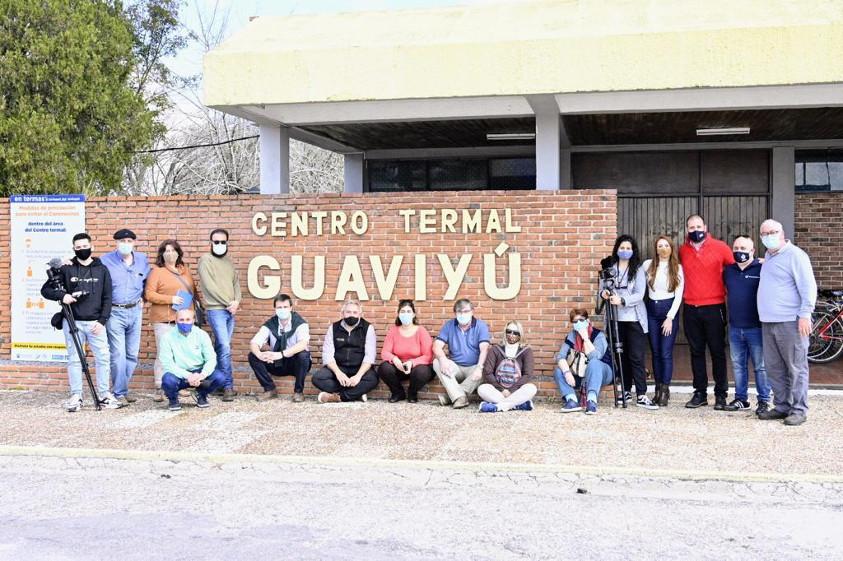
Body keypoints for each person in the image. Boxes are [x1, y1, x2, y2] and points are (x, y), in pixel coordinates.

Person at [40, 232, 124, 411]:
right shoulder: (66, 268)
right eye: (78, 248)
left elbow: (108, 297)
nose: (82, 250)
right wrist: (63, 296)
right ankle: (76, 396)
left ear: (91, 247)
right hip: (72, 322)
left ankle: (103, 395)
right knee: (75, 359)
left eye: (84, 246)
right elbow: (46, 290)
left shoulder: (102, 270)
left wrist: (102, 321)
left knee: (103, 358)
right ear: (74, 249)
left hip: (96, 323)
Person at [756, 219, 817, 426]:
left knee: (796, 367)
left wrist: (805, 314)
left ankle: (799, 409)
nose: (768, 236)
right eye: (764, 233)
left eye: (772, 232)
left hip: (791, 322)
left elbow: (808, 287)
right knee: (774, 368)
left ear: (782, 233)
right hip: (768, 322)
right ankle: (782, 406)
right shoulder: (769, 257)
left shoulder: (796, 256)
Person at [678, 214, 735, 410]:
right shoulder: (682, 251)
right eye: (691, 227)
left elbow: (736, 269)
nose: (695, 230)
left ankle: (721, 394)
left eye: (698, 226)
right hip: (691, 308)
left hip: (714, 307)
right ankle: (700, 393)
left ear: (705, 226)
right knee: (696, 352)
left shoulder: (721, 248)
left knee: (718, 352)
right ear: (687, 230)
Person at [600, 235, 658, 409]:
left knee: (636, 356)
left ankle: (641, 394)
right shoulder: (609, 268)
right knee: (621, 356)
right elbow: (601, 289)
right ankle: (625, 389)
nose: (625, 251)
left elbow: (640, 294)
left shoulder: (638, 270)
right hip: (615, 319)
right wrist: (603, 294)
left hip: (633, 319)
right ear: (617, 249)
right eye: (622, 247)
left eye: (628, 248)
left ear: (633, 251)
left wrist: (622, 300)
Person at [101, 228, 150, 405]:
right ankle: (120, 392)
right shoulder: (105, 261)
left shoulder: (143, 260)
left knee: (132, 354)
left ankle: (121, 389)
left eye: (129, 241)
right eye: (122, 241)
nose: (126, 244)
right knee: (118, 353)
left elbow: (148, 281)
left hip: (135, 311)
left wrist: (144, 297)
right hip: (115, 312)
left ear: (134, 243)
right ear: (116, 243)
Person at [722, 235, 771, 414]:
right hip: (735, 327)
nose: (739, 251)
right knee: (738, 365)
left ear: (752, 251)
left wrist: (770, 260)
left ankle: (764, 400)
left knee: (761, 366)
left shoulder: (763, 268)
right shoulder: (728, 271)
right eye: (736, 248)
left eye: (744, 248)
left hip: (756, 327)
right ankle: (741, 399)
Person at [144, 239, 197, 402]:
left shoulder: (185, 271)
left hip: (184, 321)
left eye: (173, 250)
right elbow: (149, 294)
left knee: (181, 354)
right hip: (164, 320)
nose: (170, 254)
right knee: (163, 354)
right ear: (162, 254)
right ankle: (160, 387)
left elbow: (193, 292)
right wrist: (171, 299)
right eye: (166, 251)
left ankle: (179, 386)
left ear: (178, 253)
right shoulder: (157, 272)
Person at [198, 228, 241, 402]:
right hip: (217, 309)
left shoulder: (229, 263)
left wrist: (237, 301)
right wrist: (228, 303)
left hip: (231, 309)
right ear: (210, 243)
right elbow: (209, 287)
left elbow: (236, 284)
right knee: (225, 347)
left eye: (223, 242)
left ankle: (214, 384)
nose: (220, 245)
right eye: (216, 242)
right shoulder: (205, 260)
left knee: (220, 348)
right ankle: (228, 386)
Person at [642, 235, 684, 407]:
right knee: (656, 351)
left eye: (666, 245)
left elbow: (679, 295)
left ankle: (665, 390)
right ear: (655, 248)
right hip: (652, 311)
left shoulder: (677, 268)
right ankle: (657, 389)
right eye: (660, 246)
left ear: (671, 248)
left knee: (666, 352)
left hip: (668, 312)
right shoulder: (647, 265)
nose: (663, 248)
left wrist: (670, 318)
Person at [159, 307, 227, 411]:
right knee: (167, 380)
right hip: (180, 373)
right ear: (176, 320)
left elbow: (211, 358)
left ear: (193, 320)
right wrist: (188, 375)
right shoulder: (167, 337)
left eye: (188, 319)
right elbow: (167, 363)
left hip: (199, 372)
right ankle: (173, 400)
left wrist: (202, 375)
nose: (184, 323)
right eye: (181, 320)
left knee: (220, 378)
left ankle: (201, 395)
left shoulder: (201, 335)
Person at [312, 299, 379, 403]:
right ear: (342, 313)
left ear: (360, 314)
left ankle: (336, 397)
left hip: (359, 368)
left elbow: (369, 357)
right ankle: (356, 394)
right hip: (338, 367)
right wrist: (338, 373)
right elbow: (327, 355)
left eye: (355, 312)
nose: (351, 315)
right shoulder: (333, 328)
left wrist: (358, 376)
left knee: (373, 379)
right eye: (348, 312)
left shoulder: (368, 328)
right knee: (317, 378)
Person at [248, 294, 312, 402]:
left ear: (291, 308)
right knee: (253, 356)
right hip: (276, 363)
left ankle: (298, 392)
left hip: (294, 364)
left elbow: (303, 344)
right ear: (275, 309)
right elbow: (254, 343)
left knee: (304, 355)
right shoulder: (270, 324)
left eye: (285, 307)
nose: (282, 310)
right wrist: (260, 355)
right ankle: (270, 389)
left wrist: (281, 354)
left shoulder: (300, 323)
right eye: (279, 307)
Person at [553, 308, 614, 415]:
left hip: (602, 372)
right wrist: (567, 373)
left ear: (587, 321)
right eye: (575, 322)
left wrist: (585, 339)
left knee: (594, 363)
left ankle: (591, 401)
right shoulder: (572, 335)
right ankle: (571, 400)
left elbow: (596, 356)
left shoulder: (598, 335)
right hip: (580, 373)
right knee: (559, 370)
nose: (578, 323)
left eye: (581, 320)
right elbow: (560, 357)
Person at [432, 298, 491, 409]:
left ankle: (453, 397)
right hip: (455, 368)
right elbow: (436, 346)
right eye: (459, 312)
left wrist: (479, 368)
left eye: (466, 311)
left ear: (472, 311)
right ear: (455, 313)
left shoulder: (481, 326)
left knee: (485, 368)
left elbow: (484, 349)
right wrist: (443, 360)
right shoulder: (449, 325)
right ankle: (460, 396)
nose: (462, 314)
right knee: (437, 362)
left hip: (474, 368)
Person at [377, 299, 434, 403]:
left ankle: (412, 393)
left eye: (408, 312)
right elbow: (385, 353)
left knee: (422, 371)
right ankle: (398, 393)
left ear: (413, 315)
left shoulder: (421, 331)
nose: (405, 314)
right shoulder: (393, 331)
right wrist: (394, 359)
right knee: (383, 368)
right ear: (398, 314)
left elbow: (428, 356)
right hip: (399, 367)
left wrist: (412, 363)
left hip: (416, 368)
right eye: (403, 312)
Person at [478, 320, 536, 412]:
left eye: (515, 333)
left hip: (517, 390)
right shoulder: (495, 349)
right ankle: (517, 405)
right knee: (482, 389)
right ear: (505, 332)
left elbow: (528, 374)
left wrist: (511, 390)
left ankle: (497, 407)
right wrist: (502, 389)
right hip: (498, 390)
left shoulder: (526, 351)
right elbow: (487, 372)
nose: (511, 335)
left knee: (531, 388)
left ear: (520, 334)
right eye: (509, 331)